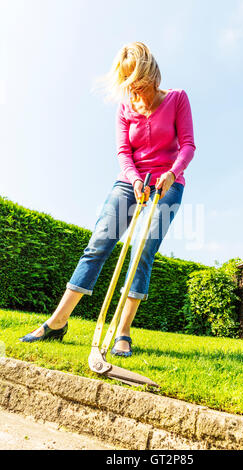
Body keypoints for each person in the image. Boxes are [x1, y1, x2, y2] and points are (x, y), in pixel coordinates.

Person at [19, 41, 196, 356]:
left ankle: (123, 332)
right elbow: (123, 152)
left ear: (152, 77)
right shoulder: (125, 108)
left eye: (140, 84)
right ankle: (58, 322)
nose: (136, 93)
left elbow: (187, 145)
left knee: (142, 248)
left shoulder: (177, 99)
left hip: (168, 184)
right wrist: (135, 180)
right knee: (99, 242)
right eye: (130, 86)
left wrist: (171, 173)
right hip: (130, 183)